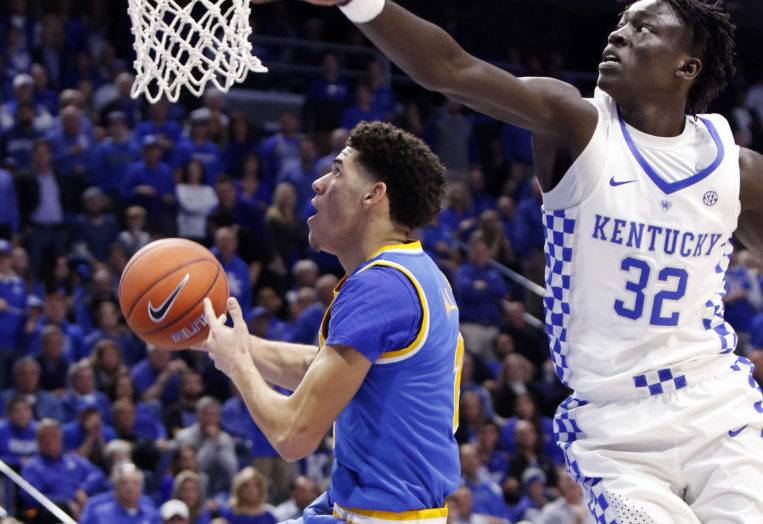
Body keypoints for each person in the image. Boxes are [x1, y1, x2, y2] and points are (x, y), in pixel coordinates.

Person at [273, 0, 763, 520]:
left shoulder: (734, 167)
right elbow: (451, 71)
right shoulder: (577, 125)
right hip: (618, 432)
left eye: (643, 29)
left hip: (717, 406)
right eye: (620, 24)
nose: (619, 35)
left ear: (688, 67)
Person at [200, 121, 461, 520]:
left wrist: (237, 364)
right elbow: (319, 371)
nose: (318, 183)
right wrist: (225, 340)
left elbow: (293, 435)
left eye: (338, 170)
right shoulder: (415, 273)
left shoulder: (381, 288)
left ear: (373, 195)